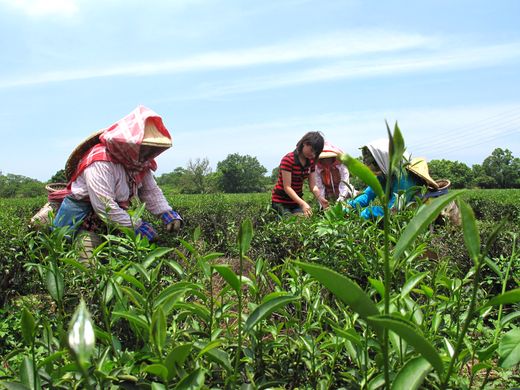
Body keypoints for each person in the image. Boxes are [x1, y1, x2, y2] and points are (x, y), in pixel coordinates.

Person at [52, 105, 183, 251]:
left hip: (115, 219)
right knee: (88, 262)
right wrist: (137, 225)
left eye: (151, 148)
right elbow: (104, 206)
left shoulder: (139, 164)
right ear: (131, 144)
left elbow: (150, 191)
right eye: (145, 147)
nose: (148, 153)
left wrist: (167, 213)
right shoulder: (100, 162)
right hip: (84, 218)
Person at [346, 138, 421, 219]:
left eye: (374, 163)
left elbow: (394, 209)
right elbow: (368, 195)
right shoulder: (384, 175)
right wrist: (350, 205)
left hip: (414, 217)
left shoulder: (404, 177)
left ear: (385, 159)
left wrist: (370, 212)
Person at [271, 131, 327, 216]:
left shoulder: (311, 162)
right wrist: (302, 203)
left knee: (306, 218)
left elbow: (313, 186)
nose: (313, 155)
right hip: (281, 202)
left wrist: (320, 198)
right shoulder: (288, 159)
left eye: (316, 153)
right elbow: (287, 187)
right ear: (305, 143)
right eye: (311, 150)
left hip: (296, 201)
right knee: (289, 221)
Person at [315, 141, 357, 207]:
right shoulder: (318, 169)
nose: (326, 160)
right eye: (323, 158)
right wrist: (322, 203)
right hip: (328, 196)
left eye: (328, 158)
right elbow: (320, 187)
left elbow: (344, 184)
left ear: (333, 158)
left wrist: (340, 200)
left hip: (345, 193)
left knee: (351, 204)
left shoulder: (341, 167)